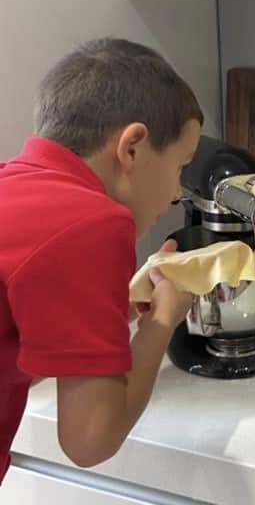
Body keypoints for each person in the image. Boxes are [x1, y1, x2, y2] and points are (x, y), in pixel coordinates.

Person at [0, 38, 200, 484]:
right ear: (132, 148)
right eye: (180, 166)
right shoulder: (93, 223)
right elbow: (90, 441)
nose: (174, 193)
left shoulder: (15, 187)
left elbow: (22, 344)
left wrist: (119, 309)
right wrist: (161, 323)